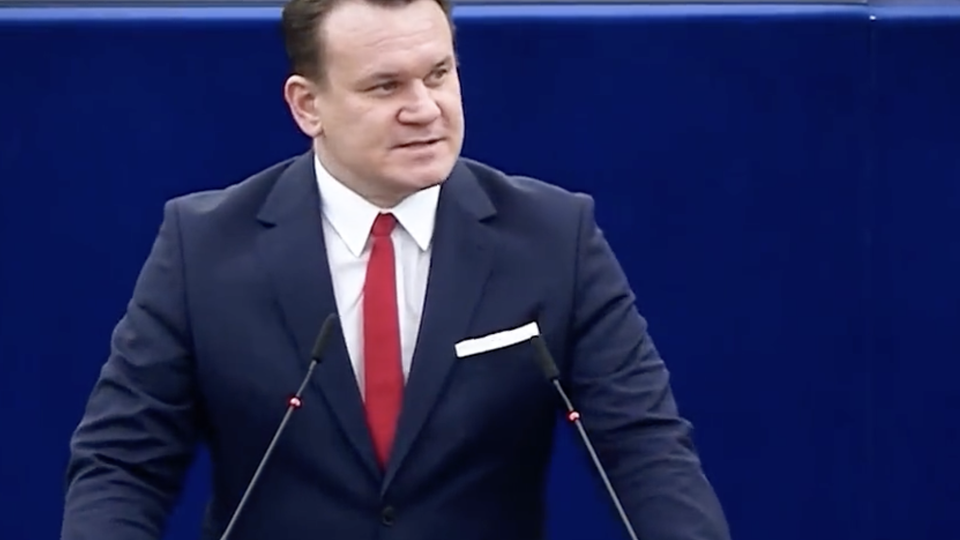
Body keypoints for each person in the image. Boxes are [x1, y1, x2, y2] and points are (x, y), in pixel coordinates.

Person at [60, 0, 731, 538]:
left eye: (438, 75)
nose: (425, 108)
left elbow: (646, 451)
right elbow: (122, 465)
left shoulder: (553, 238)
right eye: (385, 86)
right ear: (307, 106)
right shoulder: (205, 247)